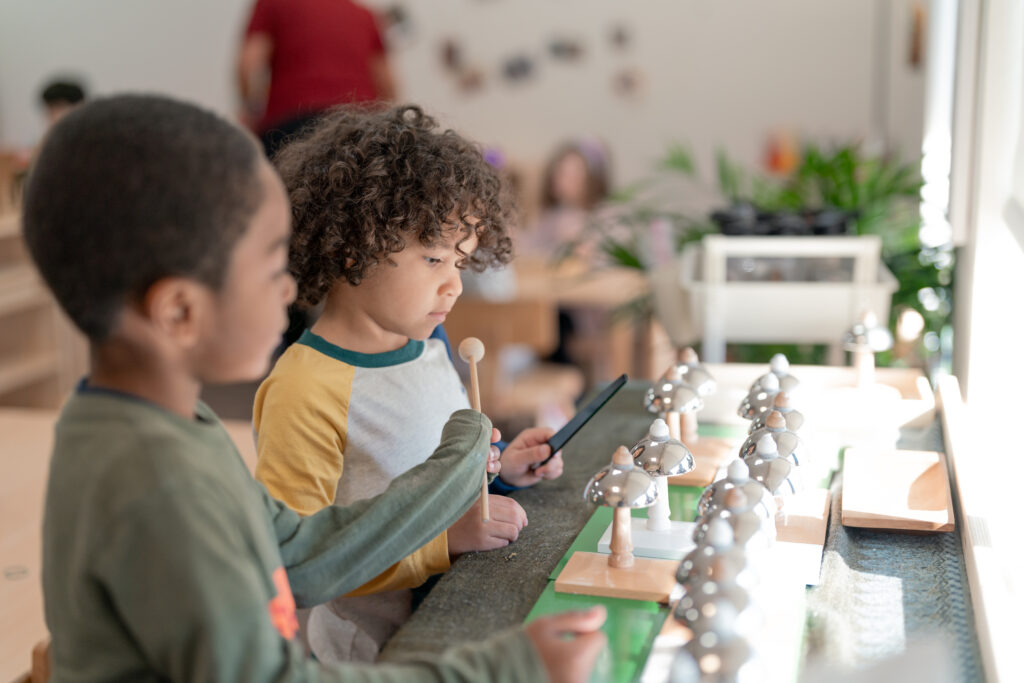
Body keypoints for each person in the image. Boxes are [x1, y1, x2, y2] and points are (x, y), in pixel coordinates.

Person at [23, 93, 605, 682]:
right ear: (178, 311)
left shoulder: (159, 424)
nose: (290, 287)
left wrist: (470, 470)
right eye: (271, 264)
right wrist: (508, 666)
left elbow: (298, 554)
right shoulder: (159, 485)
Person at [254, 104, 566, 663]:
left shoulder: (429, 350)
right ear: (355, 245)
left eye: (461, 263)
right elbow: (297, 560)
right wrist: (443, 544)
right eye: (433, 258)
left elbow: (432, 479)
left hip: (450, 621)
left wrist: (498, 474)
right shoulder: (304, 390)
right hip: (367, 655)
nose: (454, 287)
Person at [237, 0, 397, 157]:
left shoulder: (273, 3)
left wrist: (252, 112)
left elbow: (249, 66)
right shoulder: (365, 15)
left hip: (293, 125)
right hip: (360, 124)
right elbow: (386, 84)